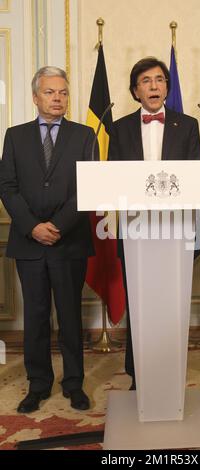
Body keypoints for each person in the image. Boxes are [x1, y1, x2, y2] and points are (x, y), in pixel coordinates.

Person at [0, 67, 96, 412]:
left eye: (64, 93)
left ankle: (74, 384)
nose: (58, 98)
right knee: (36, 317)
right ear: (35, 97)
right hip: (29, 242)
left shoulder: (85, 135)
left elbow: (89, 187)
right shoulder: (15, 135)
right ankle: (38, 384)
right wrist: (32, 227)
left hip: (68, 241)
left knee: (70, 317)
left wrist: (57, 225)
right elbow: (7, 187)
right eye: (51, 92)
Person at [108, 57, 200, 389]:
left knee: (170, 305)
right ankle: (137, 373)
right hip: (135, 232)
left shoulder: (188, 125)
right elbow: (112, 179)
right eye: (146, 81)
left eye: (160, 80)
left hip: (174, 231)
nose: (154, 86)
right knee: (140, 305)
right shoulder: (117, 128)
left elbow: (194, 180)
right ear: (135, 90)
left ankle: (169, 370)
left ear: (167, 87)